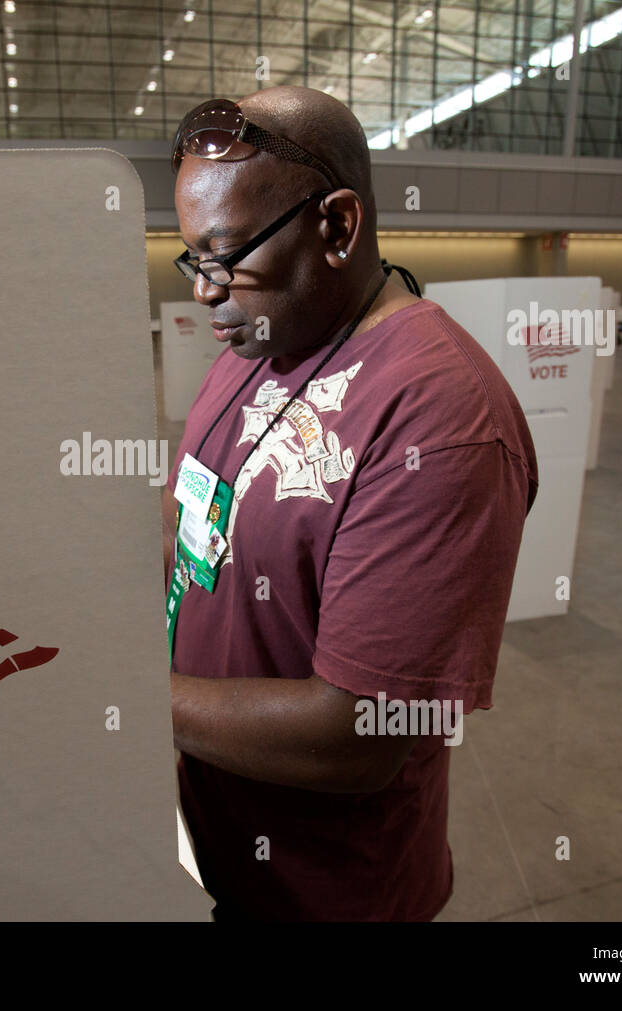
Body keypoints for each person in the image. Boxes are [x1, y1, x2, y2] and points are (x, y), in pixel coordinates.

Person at [164, 85, 539, 921]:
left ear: (337, 227)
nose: (204, 290)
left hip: (328, 891)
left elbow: (360, 731)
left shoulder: (440, 418)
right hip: (216, 843)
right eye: (193, 258)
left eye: (227, 256)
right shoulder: (260, 340)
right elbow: (192, 506)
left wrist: (124, 693)